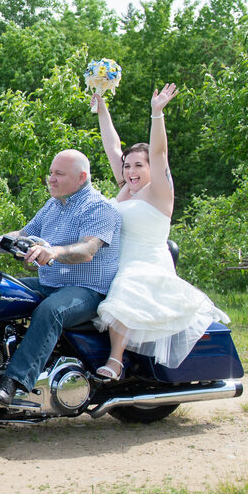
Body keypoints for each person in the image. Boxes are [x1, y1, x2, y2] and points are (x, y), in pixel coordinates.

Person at [90, 84, 229, 379]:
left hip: (146, 264)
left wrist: (157, 114)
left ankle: (115, 362)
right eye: (127, 167)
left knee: (126, 288)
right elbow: (113, 148)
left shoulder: (160, 192)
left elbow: (160, 150)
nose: (130, 171)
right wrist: (103, 109)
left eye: (138, 165)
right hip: (117, 260)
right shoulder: (127, 189)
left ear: (152, 167)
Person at [0, 149, 121, 406]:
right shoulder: (53, 205)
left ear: (82, 177)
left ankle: (14, 382)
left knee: (51, 311)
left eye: (59, 174)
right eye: (51, 173)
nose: (51, 178)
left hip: (87, 289)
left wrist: (54, 252)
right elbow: (22, 235)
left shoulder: (99, 208)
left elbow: (87, 250)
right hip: (50, 282)